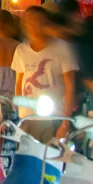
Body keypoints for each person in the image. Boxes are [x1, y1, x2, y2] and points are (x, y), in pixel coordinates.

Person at [11, 7, 77, 139]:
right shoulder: (21, 49)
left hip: (53, 116)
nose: (33, 26)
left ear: (46, 24)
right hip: (27, 116)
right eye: (29, 21)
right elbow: (19, 81)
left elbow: (70, 86)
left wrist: (65, 123)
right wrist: (19, 110)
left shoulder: (63, 48)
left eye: (38, 21)